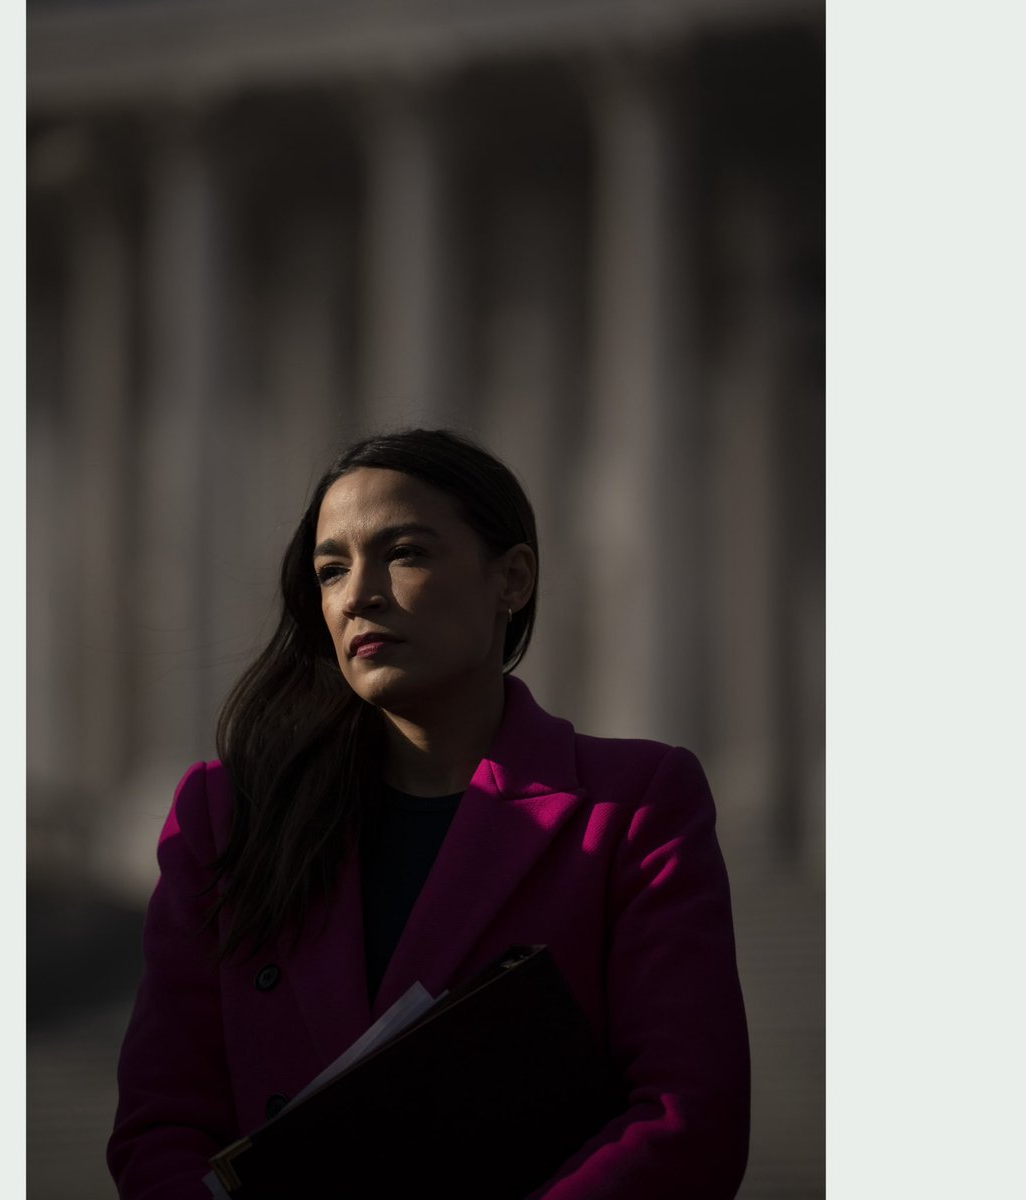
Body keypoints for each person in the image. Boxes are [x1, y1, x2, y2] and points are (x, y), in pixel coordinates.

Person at [108, 428, 750, 1198]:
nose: (358, 595)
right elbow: (161, 1126)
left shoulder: (634, 804)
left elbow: (688, 1117)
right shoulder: (224, 814)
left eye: (405, 553)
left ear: (512, 579)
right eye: (331, 570)